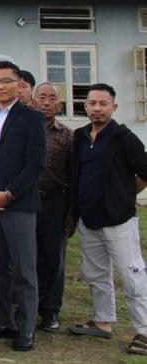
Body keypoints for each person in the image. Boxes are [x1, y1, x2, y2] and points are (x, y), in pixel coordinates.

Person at [0, 60, 46, 352]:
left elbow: (35, 164)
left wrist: (10, 194)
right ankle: (4, 322)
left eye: (6, 81)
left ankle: (26, 329)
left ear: (19, 84)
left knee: (24, 270)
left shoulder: (31, 118)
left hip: (20, 206)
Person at [66, 84, 147, 355]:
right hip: (89, 220)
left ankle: (144, 331)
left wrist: (125, 194)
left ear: (114, 107)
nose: (97, 108)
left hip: (119, 221)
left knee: (132, 275)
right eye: (92, 103)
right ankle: (102, 321)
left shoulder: (124, 138)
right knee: (96, 274)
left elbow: (145, 170)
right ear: (85, 106)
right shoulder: (79, 137)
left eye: (103, 103)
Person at [32, 82, 74, 332]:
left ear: (59, 105)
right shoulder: (23, 130)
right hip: (26, 201)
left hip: (55, 202)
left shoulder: (68, 136)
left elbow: (73, 175)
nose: (46, 103)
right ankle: (28, 307)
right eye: (42, 97)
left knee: (54, 258)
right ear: (33, 101)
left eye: (52, 99)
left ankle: (50, 311)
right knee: (29, 257)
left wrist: (71, 212)